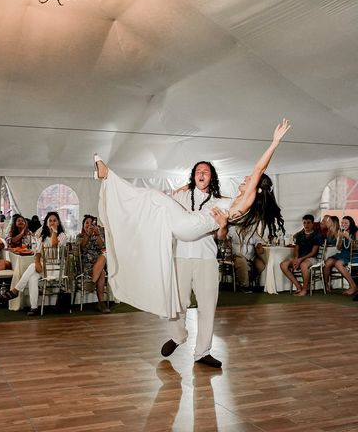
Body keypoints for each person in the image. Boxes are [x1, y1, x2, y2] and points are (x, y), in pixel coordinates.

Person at [94, 119, 290, 323]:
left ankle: (108, 176)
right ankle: (118, 198)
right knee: (155, 202)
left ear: (257, 189)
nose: (246, 179)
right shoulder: (232, 200)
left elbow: (258, 169)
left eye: (250, 180)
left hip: (192, 226)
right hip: (190, 225)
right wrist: (182, 191)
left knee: (154, 196)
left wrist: (274, 142)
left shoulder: (246, 200)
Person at [157, 161, 232, 368]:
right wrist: (178, 190)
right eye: (198, 171)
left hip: (206, 257)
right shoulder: (180, 196)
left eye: (206, 172)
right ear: (193, 176)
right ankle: (178, 337)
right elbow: (161, 206)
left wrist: (224, 226)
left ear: (211, 177)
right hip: (180, 256)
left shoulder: (219, 202)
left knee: (207, 307)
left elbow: (221, 237)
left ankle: (202, 352)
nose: (202, 174)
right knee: (177, 303)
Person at [2, 212, 68, 316]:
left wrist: (54, 231)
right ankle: (34, 307)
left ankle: (15, 290)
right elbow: (37, 252)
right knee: (32, 276)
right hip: (43, 267)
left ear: (58, 222)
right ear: (46, 223)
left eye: (54, 220)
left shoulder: (62, 235)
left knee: (31, 268)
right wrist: (37, 262)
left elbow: (55, 245)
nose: (52, 223)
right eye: (50, 221)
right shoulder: (43, 236)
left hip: (56, 269)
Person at [280, 214, 324, 296]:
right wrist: (296, 258)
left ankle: (304, 290)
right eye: (304, 223)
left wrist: (300, 260)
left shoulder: (317, 235)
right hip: (300, 257)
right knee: (283, 265)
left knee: (304, 265)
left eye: (308, 223)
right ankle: (298, 286)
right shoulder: (300, 235)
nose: (306, 225)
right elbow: (296, 249)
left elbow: (313, 252)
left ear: (312, 223)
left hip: (311, 258)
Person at [77, 215, 110, 313]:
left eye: (91, 223)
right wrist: (88, 234)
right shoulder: (79, 236)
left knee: (103, 256)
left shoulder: (97, 235)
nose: (89, 225)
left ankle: (92, 282)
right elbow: (81, 247)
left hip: (98, 263)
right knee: (102, 273)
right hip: (86, 265)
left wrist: (98, 234)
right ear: (83, 225)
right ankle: (101, 304)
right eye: (86, 223)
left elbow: (102, 246)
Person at [323, 216, 358, 296]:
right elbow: (339, 248)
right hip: (343, 253)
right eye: (342, 223)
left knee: (338, 263)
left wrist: (348, 237)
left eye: (346, 223)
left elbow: (356, 246)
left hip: (352, 254)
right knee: (328, 262)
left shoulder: (356, 232)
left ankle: (353, 286)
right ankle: (326, 285)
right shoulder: (341, 231)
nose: (343, 224)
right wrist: (340, 238)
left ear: (351, 223)